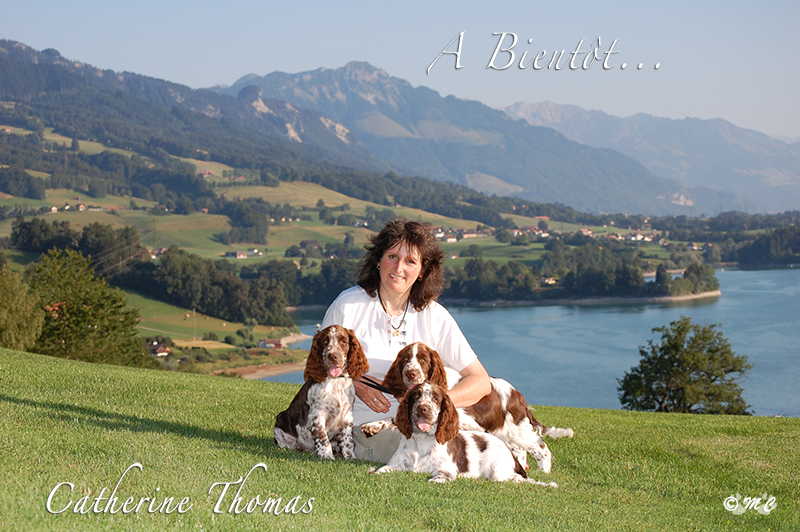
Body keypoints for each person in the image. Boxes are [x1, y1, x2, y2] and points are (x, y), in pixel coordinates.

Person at [321, 218, 491, 462]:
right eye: (392, 256)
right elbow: (317, 373)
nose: (398, 268)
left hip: (423, 427)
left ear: (422, 271)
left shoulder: (435, 316)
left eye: (410, 261)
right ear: (378, 260)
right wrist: (354, 384)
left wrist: (431, 401)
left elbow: (481, 381)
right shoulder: (348, 306)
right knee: (412, 449)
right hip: (361, 426)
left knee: (469, 447)